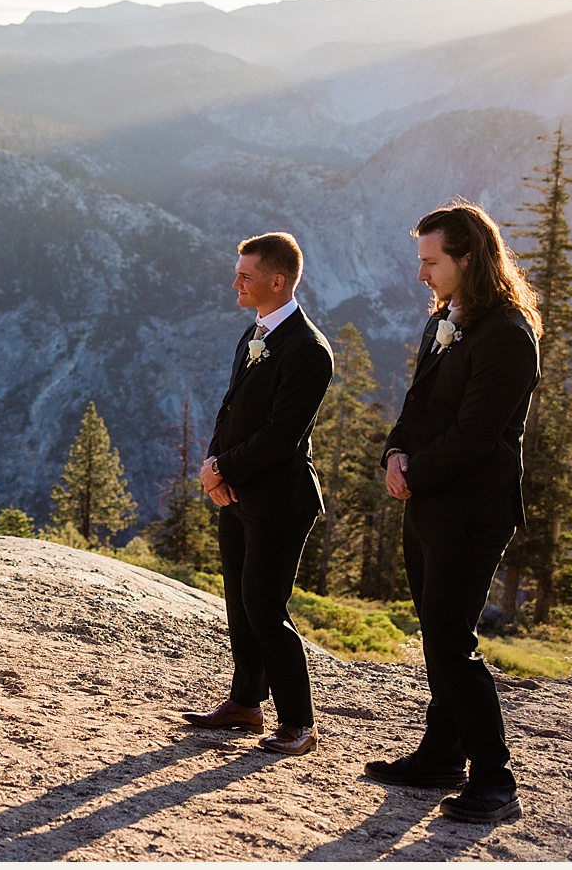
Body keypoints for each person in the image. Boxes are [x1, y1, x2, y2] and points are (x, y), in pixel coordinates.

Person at [366, 203, 542, 823]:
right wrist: (394, 450)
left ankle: (496, 781)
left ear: (468, 259)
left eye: (431, 262)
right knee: (436, 634)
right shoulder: (447, 319)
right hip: (429, 502)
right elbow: (419, 406)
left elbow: (475, 435)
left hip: (473, 511)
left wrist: (413, 472)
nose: (422, 275)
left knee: (450, 641)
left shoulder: (508, 334)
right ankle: (440, 753)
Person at [180, 232, 332, 756]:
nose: (235, 283)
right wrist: (216, 471)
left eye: (245, 276)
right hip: (239, 494)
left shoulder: (309, 349)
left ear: (277, 281)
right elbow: (231, 410)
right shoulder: (255, 334)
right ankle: (245, 703)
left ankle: (299, 722)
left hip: (281, 501)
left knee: (266, 606)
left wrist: (223, 467)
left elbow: (280, 435)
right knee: (239, 605)